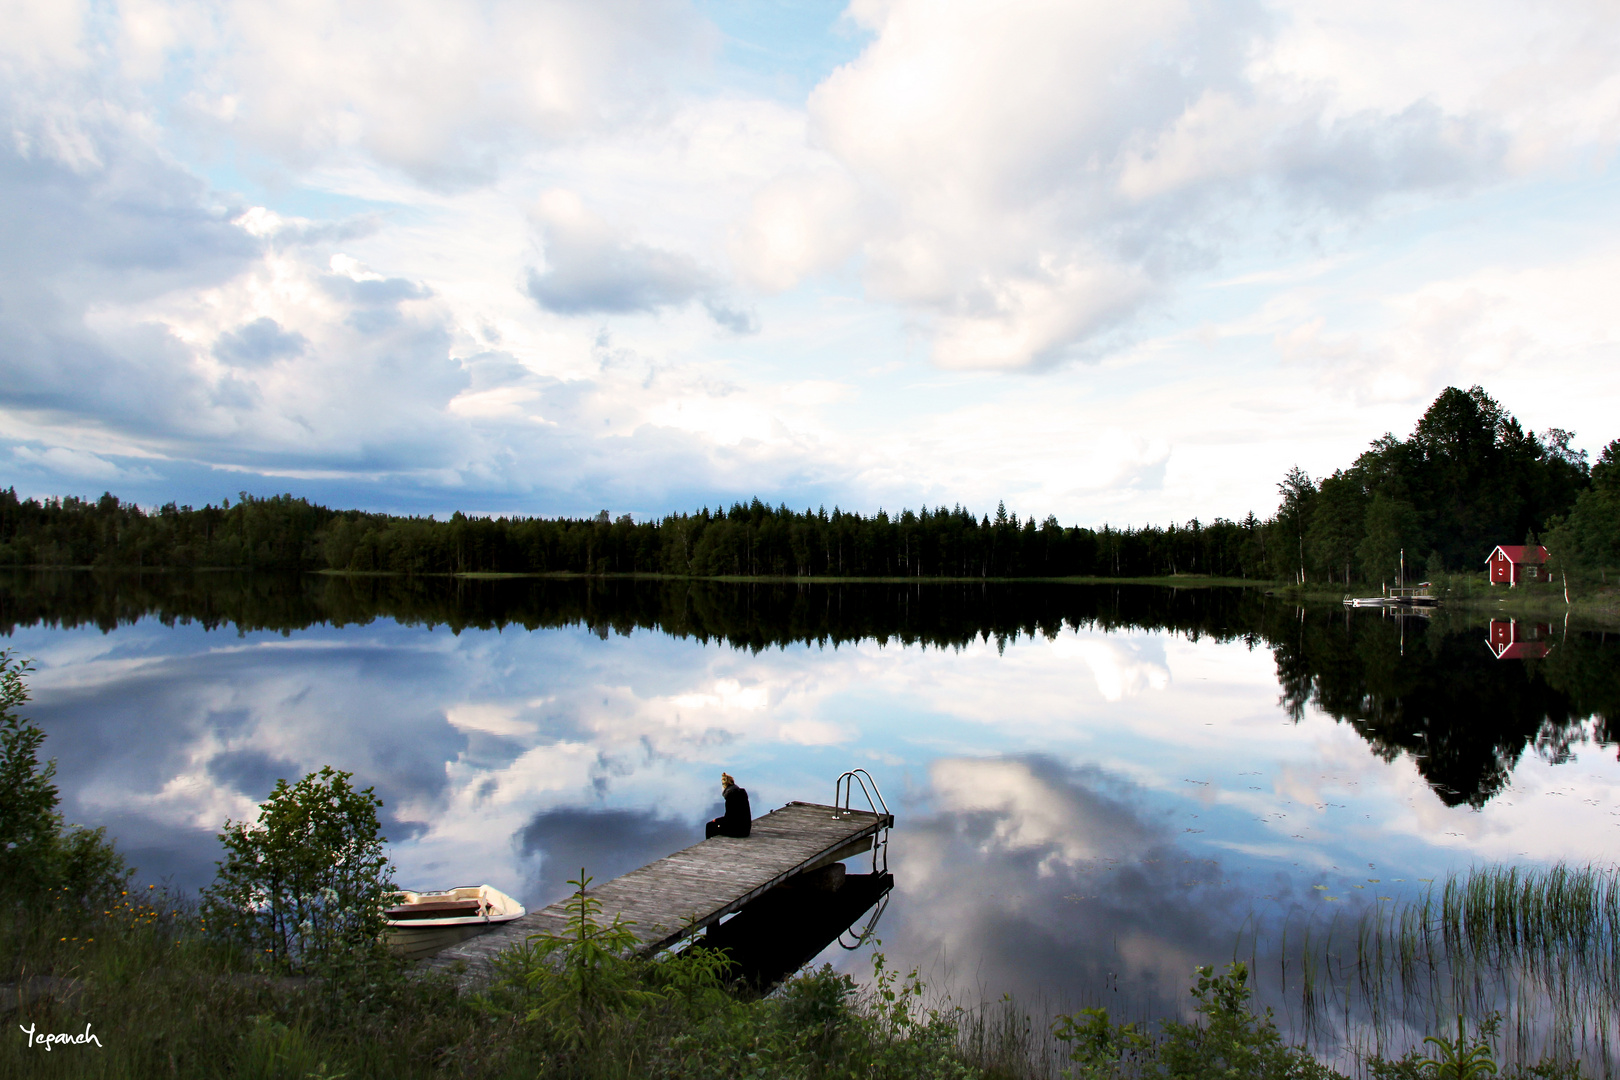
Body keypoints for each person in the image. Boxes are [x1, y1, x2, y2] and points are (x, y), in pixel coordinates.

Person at [705, 772, 752, 838]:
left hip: (738, 830)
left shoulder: (731, 797)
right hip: (745, 829)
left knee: (710, 826)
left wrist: (716, 820)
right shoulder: (741, 793)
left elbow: (729, 818)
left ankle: (709, 846)